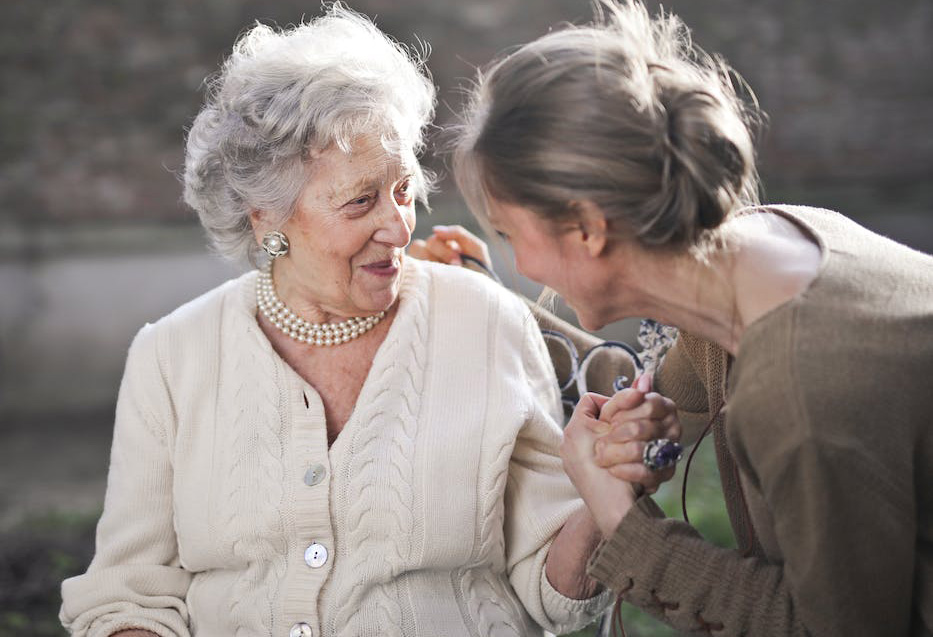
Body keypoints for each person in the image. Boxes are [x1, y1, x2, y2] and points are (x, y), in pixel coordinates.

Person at [56, 7, 689, 636]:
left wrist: (604, 491)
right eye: (360, 200)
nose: (397, 226)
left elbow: (556, 595)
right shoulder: (172, 356)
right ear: (265, 216)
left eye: (404, 190)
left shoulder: (483, 321)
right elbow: (128, 595)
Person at [431, 1, 933, 634]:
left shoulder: (801, 390)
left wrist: (625, 526)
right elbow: (650, 391)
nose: (521, 264)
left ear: (587, 227)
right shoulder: (763, 250)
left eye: (508, 234)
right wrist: (479, 298)